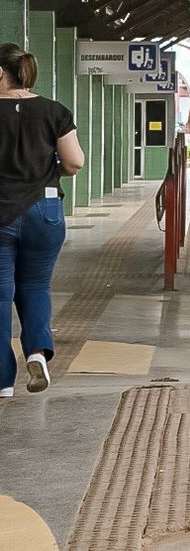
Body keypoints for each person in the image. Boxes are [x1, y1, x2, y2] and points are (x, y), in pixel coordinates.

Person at [0, 43, 84, 398]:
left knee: (1, 295)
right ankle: (36, 351)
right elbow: (75, 162)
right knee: (35, 286)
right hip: (44, 210)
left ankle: (3, 381)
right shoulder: (54, 111)